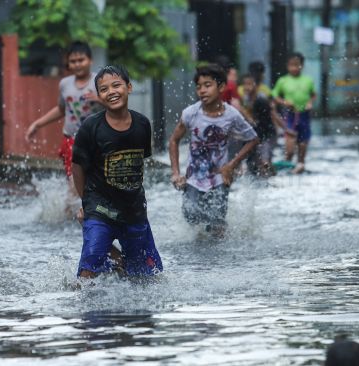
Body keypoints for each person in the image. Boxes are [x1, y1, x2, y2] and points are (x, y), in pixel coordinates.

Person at [71, 65, 163, 278]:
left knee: (144, 275)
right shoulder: (91, 128)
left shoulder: (142, 124)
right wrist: (86, 203)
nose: (111, 92)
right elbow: (77, 166)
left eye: (116, 85)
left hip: (133, 208)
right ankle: (84, 306)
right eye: (104, 89)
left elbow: (139, 162)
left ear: (129, 87)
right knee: (89, 268)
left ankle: (119, 263)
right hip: (99, 206)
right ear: (99, 96)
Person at [168, 64, 259, 237]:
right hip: (193, 177)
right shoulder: (190, 113)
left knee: (216, 224)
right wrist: (175, 173)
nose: (202, 90)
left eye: (207, 85)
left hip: (219, 178)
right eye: (199, 87)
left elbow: (253, 139)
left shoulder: (231, 115)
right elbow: (173, 140)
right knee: (191, 215)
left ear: (222, 87)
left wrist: (231, 165)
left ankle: (217, 260)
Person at [25, 41, 104, 178]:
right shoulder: (65, 84)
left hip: (95, 140)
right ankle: (71, 200)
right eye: (73, 61)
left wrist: (99, 100)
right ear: (68, 63)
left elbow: (115, 106)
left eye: (81, 60)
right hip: (71, 140)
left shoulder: (99, 81)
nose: (77, 64)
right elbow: (61, 109)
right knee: (74, 178)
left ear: (90, 60)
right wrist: (37, 124)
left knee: (96, 177)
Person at [272, 52, 316, 174]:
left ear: (302, 65)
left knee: (302, 147)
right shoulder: (283, 81)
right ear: (287, 66)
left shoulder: (308, 80)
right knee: (290, 149)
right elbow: (274, 96)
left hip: (304, 116)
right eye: (292, 65)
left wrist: (310, 103)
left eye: (297, 65)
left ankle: (300, 167)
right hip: (290, 116)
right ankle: (286, 168)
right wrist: (284, 102)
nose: (294, 68)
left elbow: (313, 95)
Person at [239, 74, 287, 177]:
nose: (247, 87)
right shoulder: (245, 99)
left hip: (267, 134)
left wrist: (285, 128)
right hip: (255, 134)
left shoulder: (261, 99)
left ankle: (271, 179)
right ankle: (267, 176)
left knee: (265, 160)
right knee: (254, 162)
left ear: (255, 85)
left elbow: (272, 113)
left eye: (249, 84)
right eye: (245, 85)